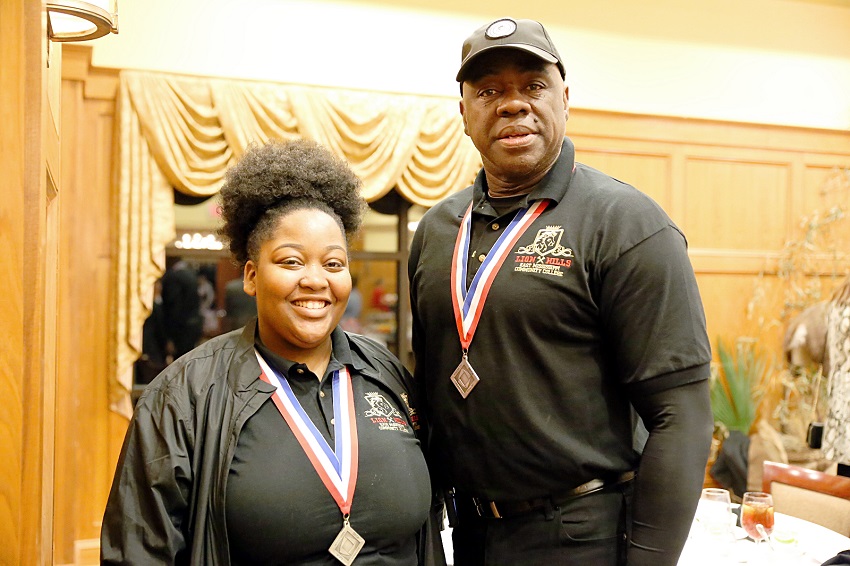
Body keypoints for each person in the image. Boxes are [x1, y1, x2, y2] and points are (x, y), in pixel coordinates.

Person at [408, 17, 714, 566]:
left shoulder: (627, 224)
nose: (512, 104)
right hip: (471, 535)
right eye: (489, 91)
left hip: (583, 535)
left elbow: (682, 414)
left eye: (533, 85)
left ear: (565, 99)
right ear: (464, 114)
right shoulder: (436, 231)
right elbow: (431, 394)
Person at [102, 139, 444, 565]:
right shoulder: (181, 397)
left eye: (334, 264)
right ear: (250, 276)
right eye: (291, 261)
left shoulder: (387, 374)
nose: (316, 280)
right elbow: (140, 553)